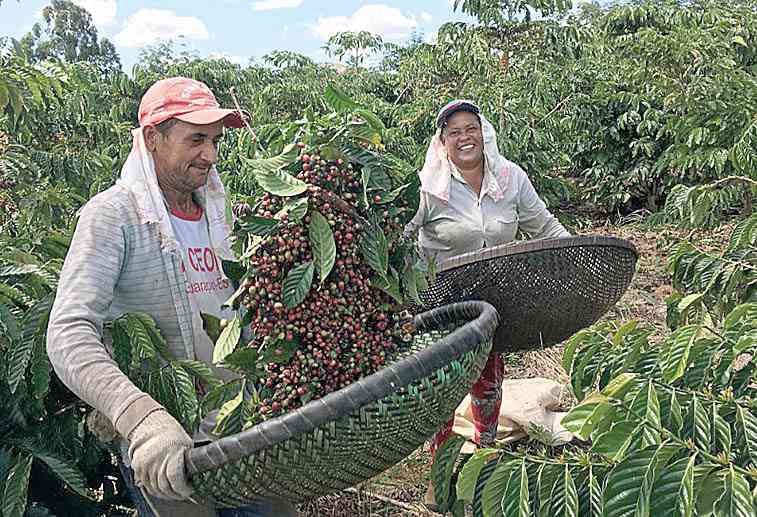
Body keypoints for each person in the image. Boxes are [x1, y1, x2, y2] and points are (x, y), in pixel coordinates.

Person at [46, 77, 297, 517]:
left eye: (216, 140)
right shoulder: (114, 217)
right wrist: (140, 418)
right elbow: (68, 333)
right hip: (172, 449)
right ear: (152, 138)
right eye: (196, 139)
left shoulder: (222, 215)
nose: (211, 155)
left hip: (246, 434)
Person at [404, 99, 569, 510]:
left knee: (489, 379)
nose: (464, 137)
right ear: (443, 142)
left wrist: (573, 258)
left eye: (470, 128)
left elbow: (544, 225)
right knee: (441, 388)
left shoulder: (510, 179)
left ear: (484, 132)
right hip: (443, 301)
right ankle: (439, 476)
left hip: (496, 297)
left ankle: (484, 461)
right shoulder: (427, 187)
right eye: (454, 131)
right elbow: (403, 239)